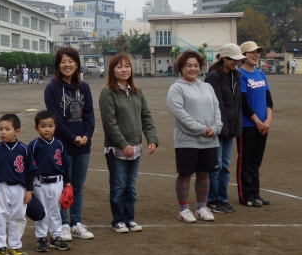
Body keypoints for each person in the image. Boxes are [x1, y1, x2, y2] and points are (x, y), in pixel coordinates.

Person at [99, 53, 158, 233]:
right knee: (118, 185)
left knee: (130, 186)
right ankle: (118, 220)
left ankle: (129, 218)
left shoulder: (136, 91)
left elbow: (146, 116)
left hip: (136, 146)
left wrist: (152, 138)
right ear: (112, 70)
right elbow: (110, 123)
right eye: (119, 67)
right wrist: (123, 145)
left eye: (127, 66)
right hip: (116, 148)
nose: (124, 70)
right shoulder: (108, 92)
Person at [44, 47, 95, 240]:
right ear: (58, 65)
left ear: (77, 63)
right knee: (64, 186)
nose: (67, 65)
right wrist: (72, 136)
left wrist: (86, 135)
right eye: (63, 61)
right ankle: (63, 224)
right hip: (62, 146)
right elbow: (55, 117)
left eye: (71, 61)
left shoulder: (84, 87)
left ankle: (76, 223)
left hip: (83, 145)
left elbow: (89, 114)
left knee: (78, 187)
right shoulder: (52, 88)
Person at [167, 50, 222, 223]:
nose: (193, 69)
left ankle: (201, 207)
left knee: (204, 174)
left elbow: (216, 110)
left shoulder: (207, 87)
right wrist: (201, 129)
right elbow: (180, 115)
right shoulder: (176, 88)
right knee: (185, 174)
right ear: (181, 67)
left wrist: (216, 128)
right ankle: (184, 209)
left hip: (209, 140)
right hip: (187, 141)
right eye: (188, 65)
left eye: (196, 65)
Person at [0, 114, 36, 255]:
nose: (3, 132)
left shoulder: (24, 149)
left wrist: (30, 190)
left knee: (18, 217)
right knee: (0, 216)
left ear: (17, 131)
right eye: (0, 129)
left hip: (19, 187)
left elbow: (30, 172)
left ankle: (15, 246)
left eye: (7, 129)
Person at [204, 44, 245, 214]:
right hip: (218, 129)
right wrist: (222, 127)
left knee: (225, 165)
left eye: (238, 59)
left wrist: (236, 126)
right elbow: (216, 105)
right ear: (225, 59)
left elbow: (238, 102)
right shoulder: (213, 77)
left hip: (230, 128)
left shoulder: (236, 74)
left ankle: (223, 198)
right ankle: (212, 200)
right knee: (216, 165)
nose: (236, 62)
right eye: (234, 59)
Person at [28, 110, 71, 252]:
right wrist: (28, 186)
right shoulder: (34, 145)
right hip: (39, 182)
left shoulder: (59, 144)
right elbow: (28, 167)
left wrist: (68, 183)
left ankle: (56, 237)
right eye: (43, 126)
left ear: (55, 127)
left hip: (57, 182)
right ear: (36, 128)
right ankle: (41, 238)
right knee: (42, 211)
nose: (47, 129)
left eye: (50, 126)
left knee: (55, 210)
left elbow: (65, 164)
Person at [237, 41, 274, 207]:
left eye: (258, 52)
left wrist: (268, 121)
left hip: (263, 125)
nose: (256, 55)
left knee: (256, 162)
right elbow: (244, 103)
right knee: (246, 161)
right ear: (244, 55)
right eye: (252, 52)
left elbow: (269, 101)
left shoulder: (261, 75)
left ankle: (255, 193)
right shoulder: (240, 75)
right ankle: (245, 196)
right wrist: (257, 122)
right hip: (248, 125)